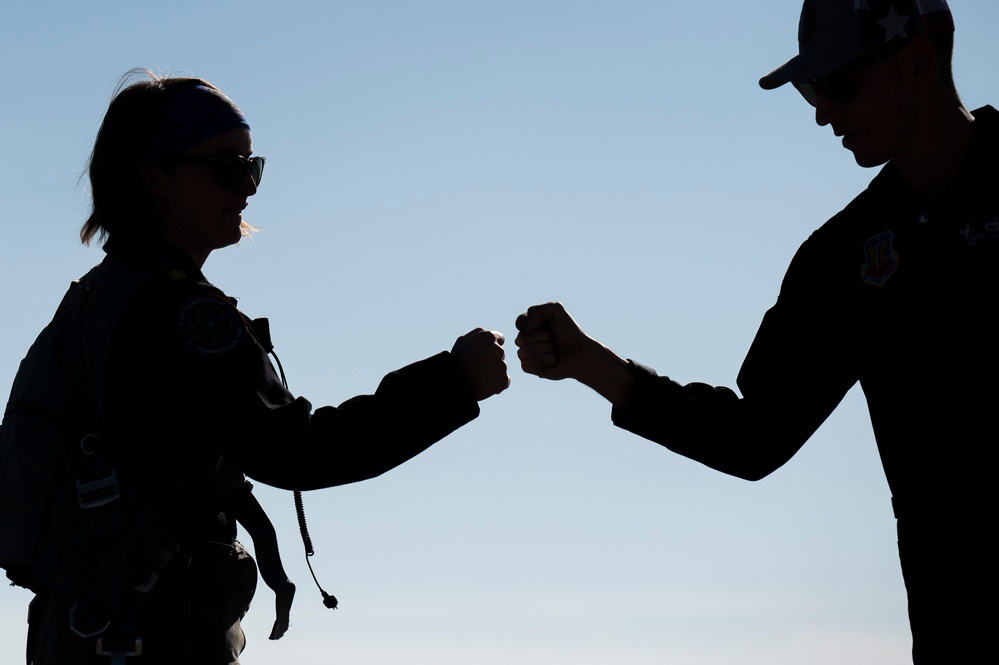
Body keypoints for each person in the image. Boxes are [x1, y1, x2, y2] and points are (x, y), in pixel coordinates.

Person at [515, 1, 993, 662]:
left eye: (838, 82)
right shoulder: (841, 261)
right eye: (808, 89)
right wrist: (593, 364)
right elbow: (755, 436)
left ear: (916, 56)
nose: (822, 110)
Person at [1, 70, 509, 664]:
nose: (247, 188)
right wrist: (452, 383)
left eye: (252, 166)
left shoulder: (95, 300)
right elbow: (299, 451)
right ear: (152, 179)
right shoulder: (179, 312)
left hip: (82, 636)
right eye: (225, 167)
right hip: (150, 641)